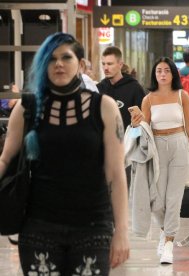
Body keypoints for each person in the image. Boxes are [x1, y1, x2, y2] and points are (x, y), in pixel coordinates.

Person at [0, 33, 130, 275]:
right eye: (51, 59)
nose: (58, 64)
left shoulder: (104, 107)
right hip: (39, 227)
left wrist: (122, 231)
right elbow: (5, 159)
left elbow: (116, 173)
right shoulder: (26, 108)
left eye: (65, 57)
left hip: (93, 227)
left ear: (81, 64)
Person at [130, 57, 189, 265]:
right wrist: (136, 123)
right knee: (157, 200)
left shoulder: (182, 96)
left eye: (166, 70)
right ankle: (165, 233)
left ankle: (169, 244)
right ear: (155, 74)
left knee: (174, 199)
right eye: (159, 71)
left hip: (180, 144)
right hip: (157, 146)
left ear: (173, 74)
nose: (162, 74)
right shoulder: (148, 99)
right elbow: (144, 128)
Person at [97, 46, 146, 130]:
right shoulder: (99, 88)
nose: (105, 68)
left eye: (109, 64)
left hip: (128, 140)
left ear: (120, 64)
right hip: (104, 140)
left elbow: (143, 122)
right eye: (103, 64)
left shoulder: (134, 88)